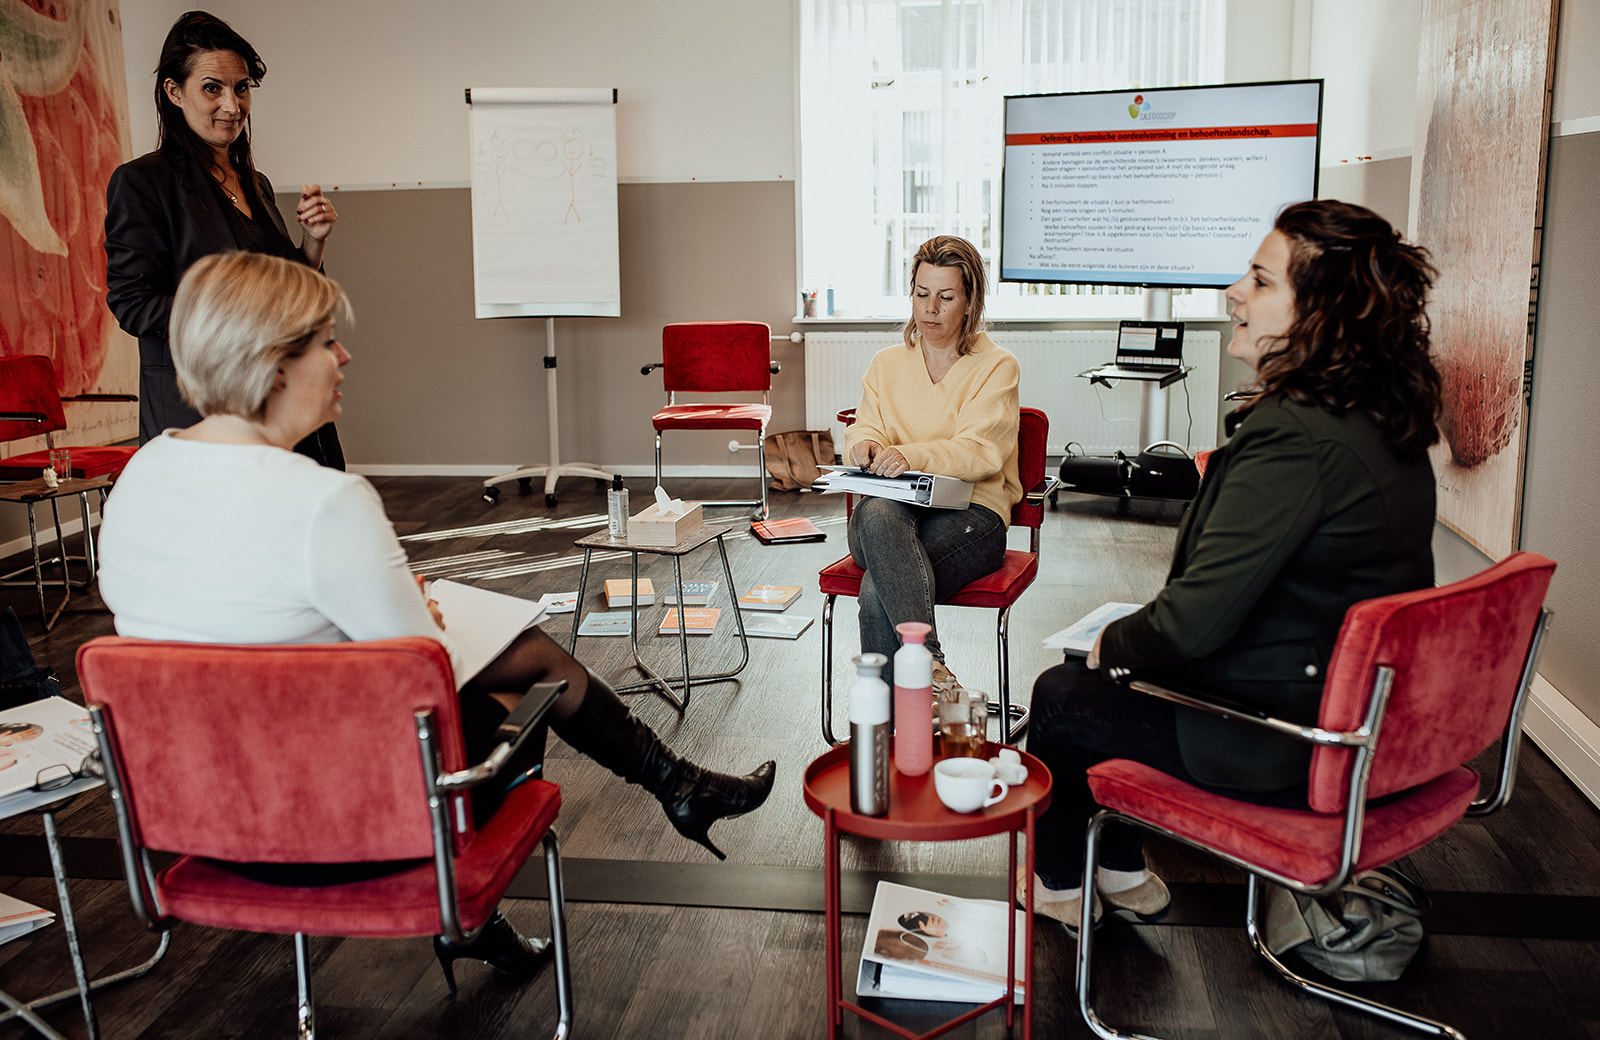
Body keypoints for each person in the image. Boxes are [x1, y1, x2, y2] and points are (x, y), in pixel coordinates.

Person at [96, 251, 776, 989]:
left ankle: (673, 790)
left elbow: (213, 633)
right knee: (531, 678)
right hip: (341, 825)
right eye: (326, 340)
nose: (345, 356)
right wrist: (408, 610)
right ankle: (494, 896)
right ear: (274, 364)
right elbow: (424, 673)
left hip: (198, 822)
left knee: (526, 655)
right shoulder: (325, 502)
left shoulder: (138, 476)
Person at [1023, 200, 1442, 933]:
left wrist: (1113, 644)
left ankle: (1059, 881)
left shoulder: (1294, 438)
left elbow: (1189, 625)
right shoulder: (1377, 416)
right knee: (1103, 671)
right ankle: (1117, 866)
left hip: (1289, 737)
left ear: (1323, 312)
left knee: (1062, 693)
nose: (1234, 293)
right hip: (1353, 711)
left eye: (1261, 280)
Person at [104, 11, 343, 467]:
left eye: (241, 87)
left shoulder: (257, 183)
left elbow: (285, 292)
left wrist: (313, 241)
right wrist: (241, 316)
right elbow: (134, 305)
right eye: (212, 88)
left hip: (280, 398)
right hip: (199, 412)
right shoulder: (142, 182)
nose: (232, 105)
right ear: (174, 92)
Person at [842, 235, 1022, 693]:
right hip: (891, 517)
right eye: (922, 294)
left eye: (946, 297)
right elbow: (866, 426)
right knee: (876, 515)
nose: (930, 309)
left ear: (970, 302)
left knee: (877, 590)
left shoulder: (997, 366)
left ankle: (895, 724)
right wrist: (864, 444)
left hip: (972, 516)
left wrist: (911, 455)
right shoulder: (886, 364)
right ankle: (930, 671)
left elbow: (980, 450)